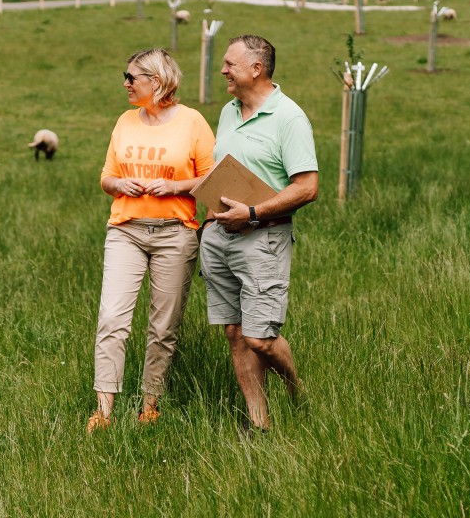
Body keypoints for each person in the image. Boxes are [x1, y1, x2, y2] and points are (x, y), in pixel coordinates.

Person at [88, 48, 216, 432]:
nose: (125, 84)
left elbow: (213, 179)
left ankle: (150, 406)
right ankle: (103, 411)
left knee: (163, 328)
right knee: (112, 319)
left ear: (155, 81)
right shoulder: (125, 121)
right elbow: (106, 177)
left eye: (131, 77)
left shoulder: (193, 122)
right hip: (126, 230)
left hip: (175, 234)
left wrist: (175, 187)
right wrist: (119, 183)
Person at [199, 34, 318, 432]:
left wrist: (251, 213)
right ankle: (259, 424)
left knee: (260, 338)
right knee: (235, 333)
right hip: (219, 237)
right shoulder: (229, 112)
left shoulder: (289, 118)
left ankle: (298, 394)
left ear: (256, 69)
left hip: (262, 239)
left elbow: (307, 187)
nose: (222, 70)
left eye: (229, 65)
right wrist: (211, 219)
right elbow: (223, 171)